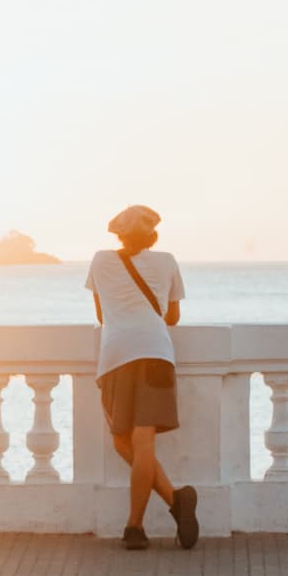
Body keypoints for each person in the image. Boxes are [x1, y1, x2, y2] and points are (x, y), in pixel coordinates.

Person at [85, 205, 198, 551]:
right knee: (137, 442)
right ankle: (176, 501)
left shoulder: (101, 261)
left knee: (125, 441)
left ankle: (135, 526)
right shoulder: (167, 262)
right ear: (153, 236)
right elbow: (172, 316)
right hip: (155, 353)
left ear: (118, 234)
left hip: (116, 356)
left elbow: (102, 314)